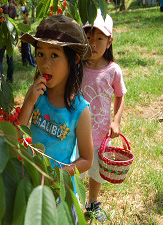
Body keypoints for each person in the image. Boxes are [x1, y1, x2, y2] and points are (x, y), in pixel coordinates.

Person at [19, 14, 94, 198]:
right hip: (30, 181)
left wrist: (58, 175)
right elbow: (17, 136)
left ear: (75, 59)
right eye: (40, 54)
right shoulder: (37, 97)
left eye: (54, 55)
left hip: (58, 191)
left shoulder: (80, 110)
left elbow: (87, 159)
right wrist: (29, 101)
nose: (45, 63)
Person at [81, 9, 127, 222]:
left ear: (109, 41)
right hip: (76, 134)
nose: (93, 42)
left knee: (96, 173)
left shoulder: (113, 70)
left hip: (100, 136)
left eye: (99, 38)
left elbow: (120, 96)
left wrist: (116, 121)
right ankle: (72, 201)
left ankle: (92, 202)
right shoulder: (76, 66)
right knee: (75, 170)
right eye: (88, 36)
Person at [0, 1, 17, 83]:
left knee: (0, 60)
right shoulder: (14, 8)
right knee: (10, 58)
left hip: (2, 36)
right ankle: (10, 78)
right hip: (10, 36)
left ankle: (1, 80)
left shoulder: (2, 6)